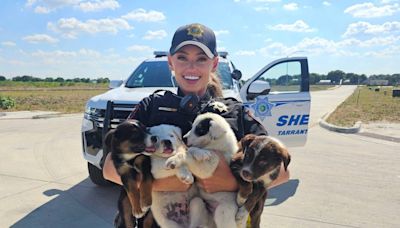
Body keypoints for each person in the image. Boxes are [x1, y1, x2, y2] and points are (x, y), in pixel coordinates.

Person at [103, 23, 289, 226]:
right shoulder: (151, 106)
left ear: (214, 63)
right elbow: (110, 168)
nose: (191, 67)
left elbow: (283, 172)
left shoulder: (236, 112)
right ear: (171, 62)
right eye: (182, 58)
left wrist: (231, 181)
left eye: (201, 59)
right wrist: (167, 182)